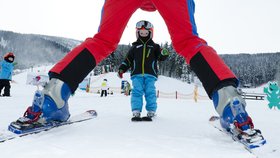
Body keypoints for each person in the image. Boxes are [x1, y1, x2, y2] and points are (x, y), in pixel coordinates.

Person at [18, 0, 262, 137]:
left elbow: (159, 54)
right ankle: (229, 102)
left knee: (103, 39)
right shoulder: (136, 46)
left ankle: (54, 94)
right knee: (188, 40)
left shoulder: (151, 45)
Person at [117, 20, 169, 121]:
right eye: (141, 33)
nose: (143, 34)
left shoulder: (154, 46)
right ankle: (136, 111)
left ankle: (151, 111)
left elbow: (160, 57)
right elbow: (128, 60)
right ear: (138, 33)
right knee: (137, 92)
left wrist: (164, 54)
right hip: (136, 74)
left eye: (146, 33)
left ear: (150, 33)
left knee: (150, 92)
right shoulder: (134, 47)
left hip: (150, 74)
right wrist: (122, 69)